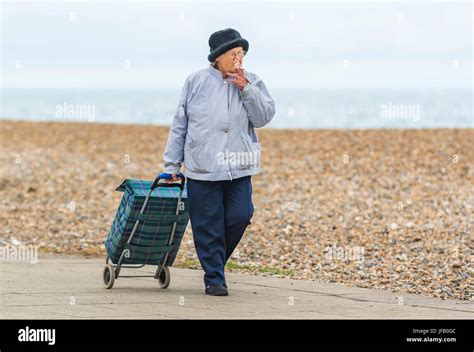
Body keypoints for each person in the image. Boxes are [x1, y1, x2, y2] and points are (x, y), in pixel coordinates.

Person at [161, 28, 276, 296]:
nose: (239, 60)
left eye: (242, 54)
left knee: (240, 215)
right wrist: (171, 166)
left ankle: (214, 263)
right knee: (207, 222)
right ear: (217, 57)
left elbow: (263, 117)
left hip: (239, 164)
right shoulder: (195, 82)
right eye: (234, 54)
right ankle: (214, 278)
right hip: (203, 165)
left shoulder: (252, 81)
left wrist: (246, 89)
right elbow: (180, 125)